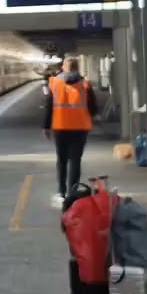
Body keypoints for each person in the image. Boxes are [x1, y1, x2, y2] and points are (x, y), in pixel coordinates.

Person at [44, 57, 98, 200]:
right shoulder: (85, 84)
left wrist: (46, 126)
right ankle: (72, 192)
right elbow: (93, 108)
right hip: (80, 127)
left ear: (64, 67)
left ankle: (61, 192)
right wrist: (90, 116)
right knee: (75, 160)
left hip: (60, 127)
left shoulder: (55, 83)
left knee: (61, 160)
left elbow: (49, 106)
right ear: (77, 67)